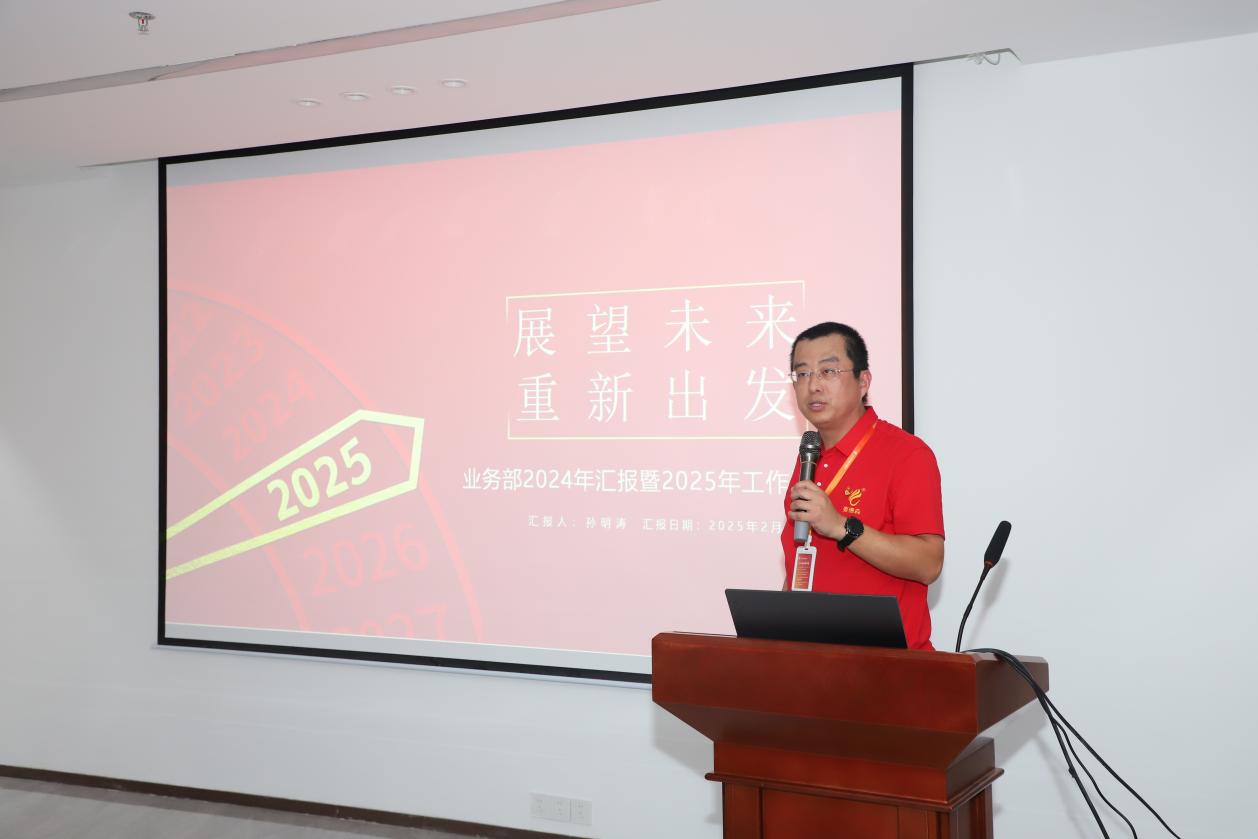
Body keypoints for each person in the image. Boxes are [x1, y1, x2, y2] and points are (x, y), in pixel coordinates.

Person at [781, 322, 944, 650]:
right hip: (810, 662)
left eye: (828, 371)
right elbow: (800, 561)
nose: (813, 385)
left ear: (863, 381)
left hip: (886, 665)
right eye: (802, 373)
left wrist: (841, 527)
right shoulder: (808, 457)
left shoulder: (907, 454)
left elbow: (929, 563)